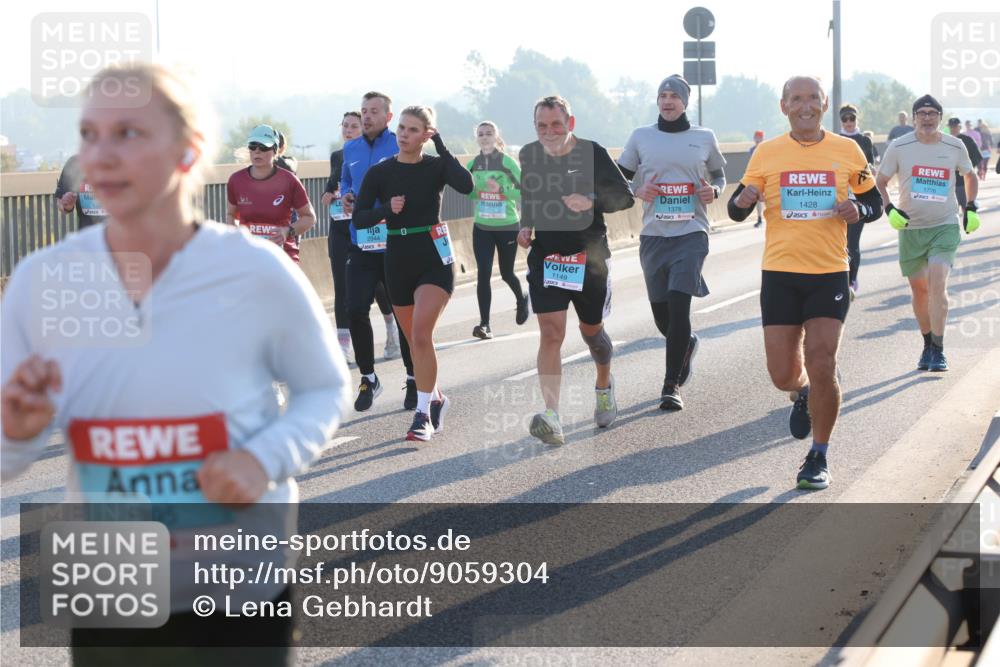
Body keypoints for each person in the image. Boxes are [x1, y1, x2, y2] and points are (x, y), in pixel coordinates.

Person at [1, 63, 350, 666]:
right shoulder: (43, 280)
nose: (101, 155)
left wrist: (262, 458)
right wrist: (17, 428)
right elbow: (8, 453)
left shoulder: (255, 269)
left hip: (240, 580)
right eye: (90, 135)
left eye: (128, 133)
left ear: (189, 152)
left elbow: (324, 388)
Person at [727, 76, 883, 490]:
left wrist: (857, 209)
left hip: (829, 271)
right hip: (780, 273)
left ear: (824, 103)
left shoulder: (847, 149)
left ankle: (818, 455)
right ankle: (802, 393)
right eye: (797, 99)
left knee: (822, 359)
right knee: (782, 374)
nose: (806, 105)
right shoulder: (768, 152)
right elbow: (737, 206)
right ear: (784, 107)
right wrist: (741, 202)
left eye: (813, 98)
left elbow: (874, 203)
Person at [518, 95, 635, 445]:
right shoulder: (530, 155)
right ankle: (552, 415)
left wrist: (592, 201)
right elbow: (529, 195)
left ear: (570, 123)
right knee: (551, 333)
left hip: (590, 258)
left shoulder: (592, 152)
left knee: (592, 333)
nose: (549, 132)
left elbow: (625, 197)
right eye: (542, 126)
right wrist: (525, 225)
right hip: (548, 258)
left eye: (556, 124)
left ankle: (603, 384)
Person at [353, 106, 474, 441]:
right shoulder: (381, 172)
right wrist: (384, 210)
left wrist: (444, 148)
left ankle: (422, 416)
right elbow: (359, 218)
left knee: (421, 334)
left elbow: (466, 185)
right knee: (415, 342)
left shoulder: (436, 167)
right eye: (402, 128)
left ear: (426, 134)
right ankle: (436, 398)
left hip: (434, 257)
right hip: (398, 259)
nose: (404, 134)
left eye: (412, 129)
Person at [617, 74, 726, 410]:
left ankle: (671, 385)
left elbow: (720, 175)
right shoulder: (641, 137)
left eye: (673, 96)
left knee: (680, 305)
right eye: (662, 95)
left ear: (685, 101)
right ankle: (686, 344)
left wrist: (715, 190)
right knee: (663, 317)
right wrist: (636, 190)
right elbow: (619, 179)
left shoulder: (704, 137)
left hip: (692, 232)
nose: (667, 101)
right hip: (653, 235)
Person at [876, 95, 979, 373]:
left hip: (944, 225)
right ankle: (926, 344)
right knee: (919, 291)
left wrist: (970, 207)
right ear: (913, 118)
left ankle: (939, 348)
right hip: (911, 228)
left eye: (933, 113)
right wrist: (889, 209)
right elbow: (880, 182)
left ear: (940, 118)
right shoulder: (899, 146)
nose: (927, 117)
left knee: (937, 283)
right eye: (922, 113)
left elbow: (970, 176)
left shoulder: (954, 145)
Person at [341, 92, 416, 412]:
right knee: (355, 308)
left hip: (395, 242)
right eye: (364, 111)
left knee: (403, 314)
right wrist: (346, 196)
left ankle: (414, 378)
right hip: (361, 241)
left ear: (388, 116)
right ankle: (368, 378)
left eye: (374, 111)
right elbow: (346, 181)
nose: (367, 116)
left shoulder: (398, 146)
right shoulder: (351, 148)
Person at [320, 112, 400, 365]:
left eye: (354, 126)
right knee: (341, 286)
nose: (348, 130)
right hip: (341, 228)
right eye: (344, 126)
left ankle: (392, 328)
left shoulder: (380, 151)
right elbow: (336, 184)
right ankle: (343, 345)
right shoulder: (339, 155)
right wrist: (329, 195)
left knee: (381, 286)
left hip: (371, 225)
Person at [467, 120, 529, 339]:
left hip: (507, 226)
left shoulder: (506, 162)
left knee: (506, 272)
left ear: (496, 137)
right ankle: (485, 324)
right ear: (477, 138)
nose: (485, 137)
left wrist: (501, 190)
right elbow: (467, 191)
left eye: (489, 133)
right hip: (482, 227)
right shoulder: (473, 164)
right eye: (481, 134)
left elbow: (525, 192)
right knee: (483, 274)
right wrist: (476, 191)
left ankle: (522, 299)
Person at [225, 124, 317, 263]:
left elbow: (309, 218)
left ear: (275, 150)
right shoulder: (236, 180)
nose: (257, 151)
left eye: (263, 147)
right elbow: (232, 214)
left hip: (282, 258)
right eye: (253, 146)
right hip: (248, 257)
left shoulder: (289, 181)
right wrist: (236, 237)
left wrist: (288, 231)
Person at [838, 103, 877, 299]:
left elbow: (870, 165)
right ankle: (840, 279)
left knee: (852, 243)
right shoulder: (835, 141)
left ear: (857, 119)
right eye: (845, 119)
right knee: (838, 243)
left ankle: (851, 280)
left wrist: (870, 172)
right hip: (838, 199)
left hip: (858, 198)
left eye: (851, 118)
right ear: (840, 121)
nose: (849, 122)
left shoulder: (864, 141)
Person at [54, 153, 108, 230]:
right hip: (87, 236)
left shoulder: (125, 161)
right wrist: (67, 206)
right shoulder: (75, 163)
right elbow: (61, 204)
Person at [947, 118, 982, 208]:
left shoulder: (967, 140)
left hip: (964, 181)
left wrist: (966, 167)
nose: (953, 129)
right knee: (951, 209)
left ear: (960, 127)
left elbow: (977, 156)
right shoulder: (945, 141)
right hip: (949, 181)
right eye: (951, 127)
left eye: (955, 126)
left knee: (966, 207)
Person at [749, 131, 765, 227]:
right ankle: (759, 218)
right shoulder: (752, 150)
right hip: (757, 176)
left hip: (766, 175)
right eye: (756, 137)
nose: (757, 139)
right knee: (758, 198)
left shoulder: (767, 148)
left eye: (759, 137)